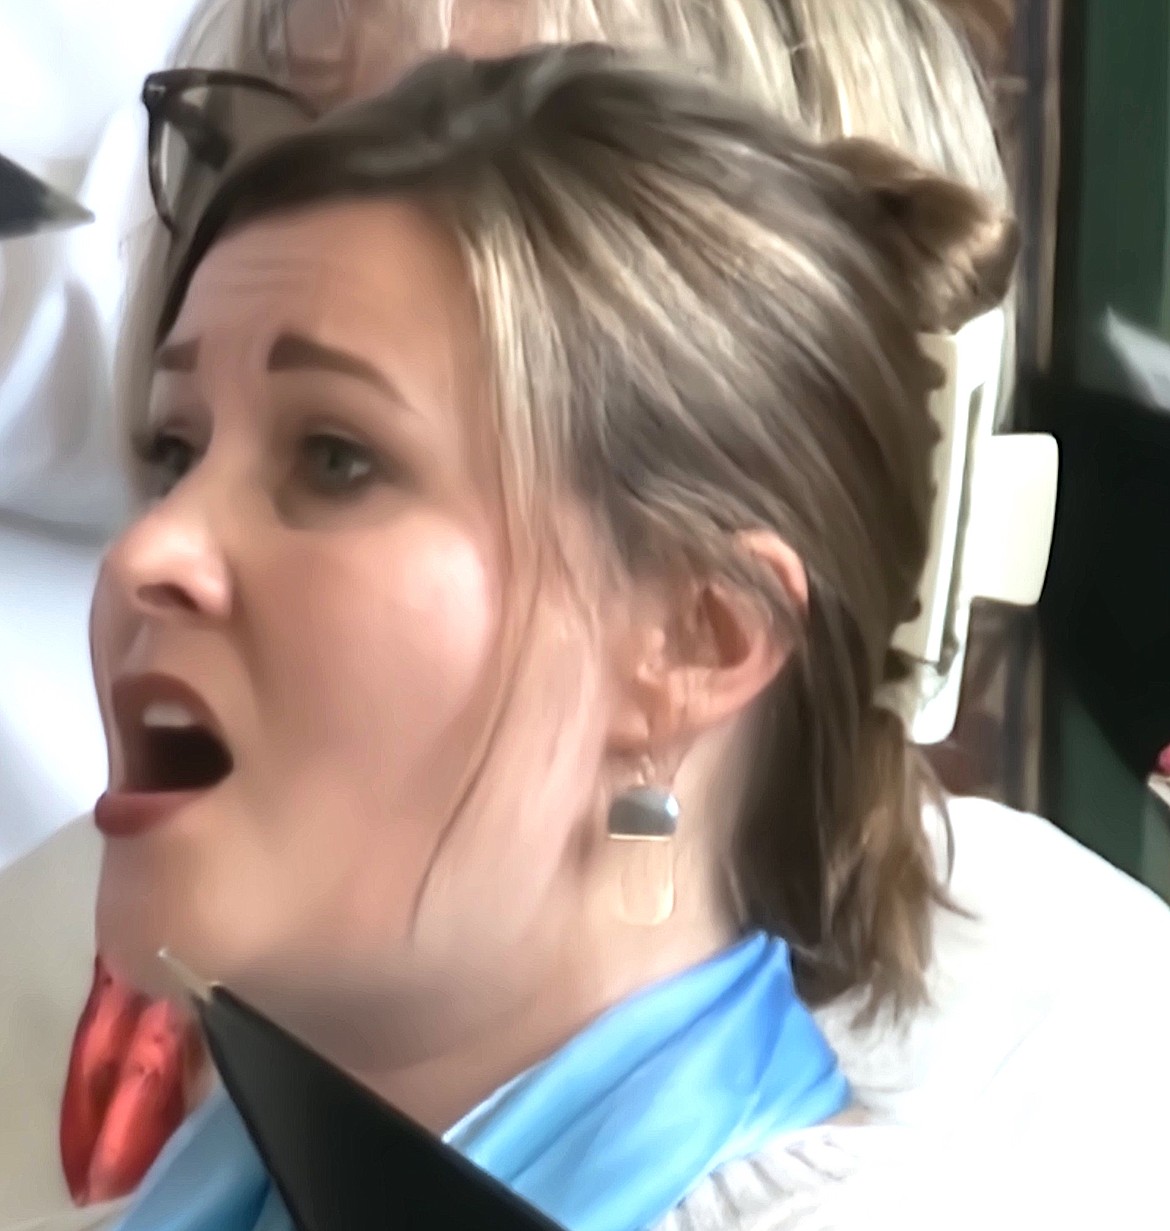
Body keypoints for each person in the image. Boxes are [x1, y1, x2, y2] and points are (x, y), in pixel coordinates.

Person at [95, 41, 1013, 1231]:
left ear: (696, 639)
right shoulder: (212, 1178)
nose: (142, 553)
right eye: (177, 451)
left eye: (335, 456)